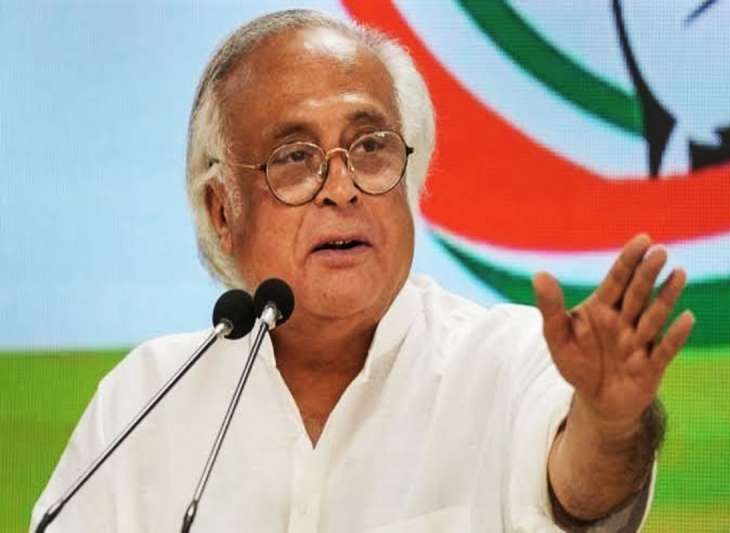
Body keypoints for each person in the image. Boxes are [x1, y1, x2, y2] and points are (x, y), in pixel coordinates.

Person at [31, 9, 694, 533]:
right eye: (295, 157)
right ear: (222, 210)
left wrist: (609, 423)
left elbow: (583, 491)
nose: (342, 188)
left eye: (371, 147)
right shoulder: (146, 400)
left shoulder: (505, 359)